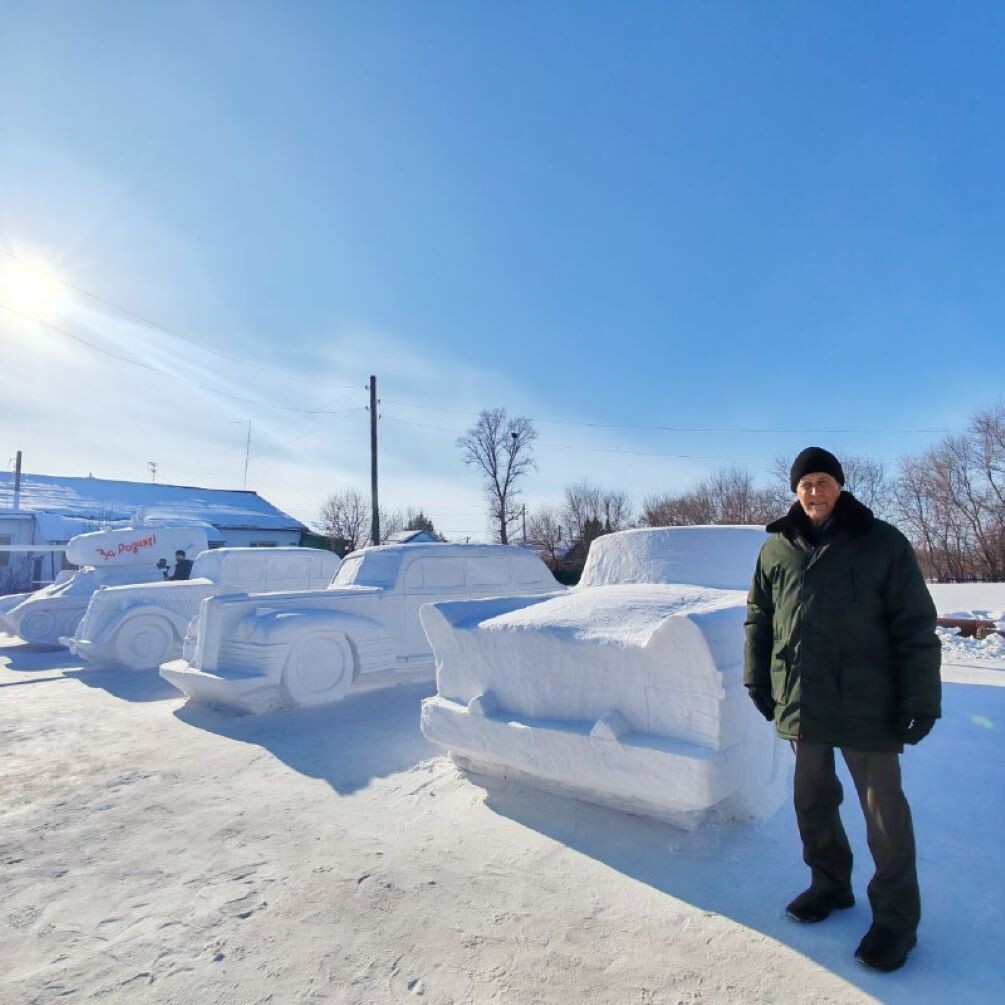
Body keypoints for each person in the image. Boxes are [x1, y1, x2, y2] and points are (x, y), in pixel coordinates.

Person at [744, 446, 941, 973]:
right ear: (795, 490)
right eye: (806, 483)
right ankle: (829, 885)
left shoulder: (881, 542)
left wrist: (921, 696)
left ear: (840, 486)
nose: (815, 491)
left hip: (866, 701)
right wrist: (757, 676)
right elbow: (759, 618)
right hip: (802, 698)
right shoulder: (776, 548)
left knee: (884, 814)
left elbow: (915, 625)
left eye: (824, 481)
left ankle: (896, 921)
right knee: (812, 800)